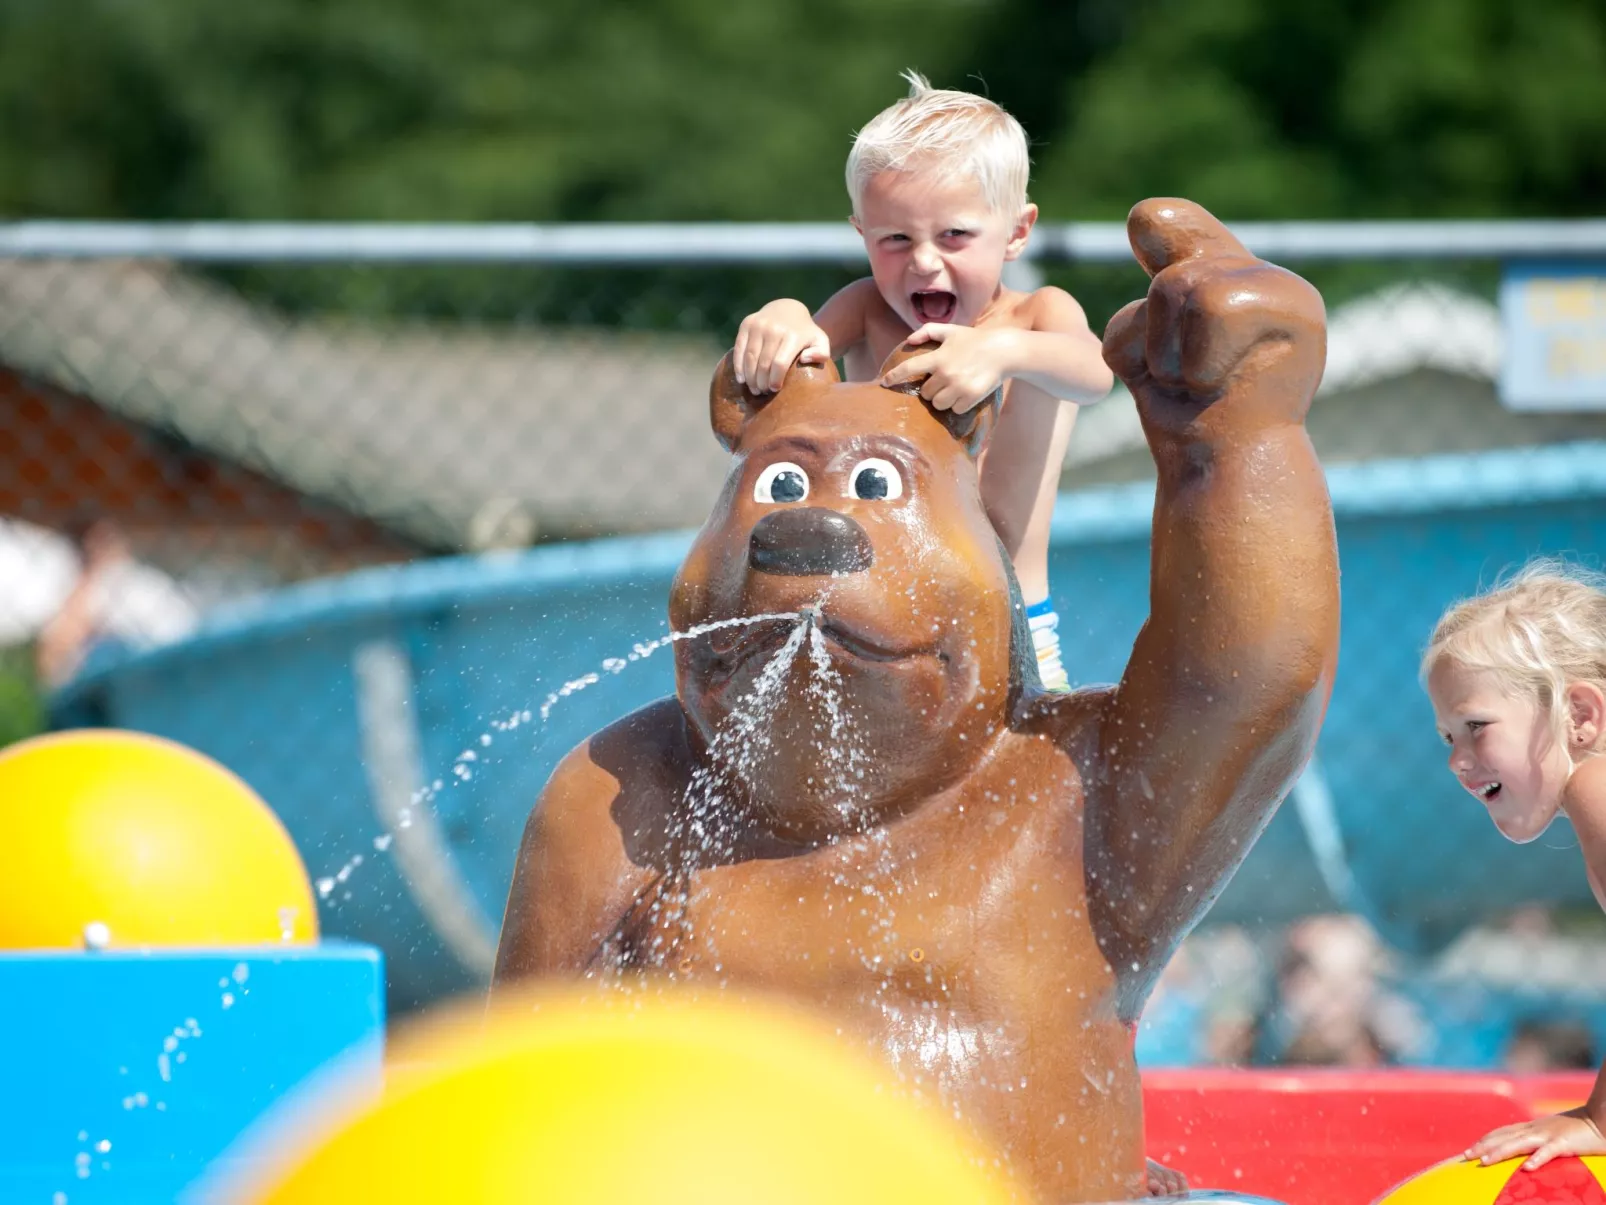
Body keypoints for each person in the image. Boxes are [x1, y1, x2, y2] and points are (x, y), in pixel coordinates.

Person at [732, 71, 1114, 692]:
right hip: (879, 613)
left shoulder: (1039, 317)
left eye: (955, 235)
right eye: (896, 239)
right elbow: (792, 375)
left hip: (1010, 617)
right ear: (862, 233)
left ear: (1017, 232)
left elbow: (1096, 374)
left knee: (1035, 776)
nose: (925, 261)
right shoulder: (864, 311)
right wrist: (784, 315)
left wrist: (1003, 353)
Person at [1422, 558, 1606, 1170]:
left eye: (1476, 727)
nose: (1458, 759)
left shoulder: (1597, 791)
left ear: (1579, 716)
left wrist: (1599, 1121)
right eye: (1449, 737)